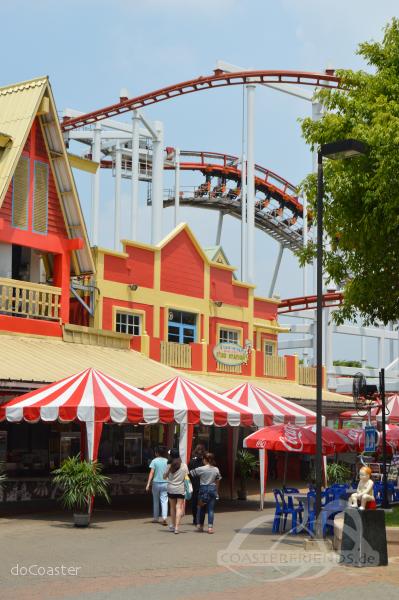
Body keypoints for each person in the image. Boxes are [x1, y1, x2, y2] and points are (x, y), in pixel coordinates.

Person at [189, 452, 221, 534]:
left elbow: (191, 473)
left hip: (203, 489)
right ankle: (210, 528)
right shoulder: (216, 469)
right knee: (211, 510)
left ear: (205, 460)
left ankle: (200, 526)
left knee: (201, 508)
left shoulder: (201, 469)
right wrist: (216, 491)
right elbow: (218, 480)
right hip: (212, 489)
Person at [164, 449, 188, 534]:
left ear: (171, 456)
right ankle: (177, 528)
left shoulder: (169, 465)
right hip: (180, 489)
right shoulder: (184, 465)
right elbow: (186, 476)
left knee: (172, 507)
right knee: (179, 507)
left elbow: (164, 476)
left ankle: (172, 525)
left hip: (171, 488)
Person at [146, 446, 168, 525]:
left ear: (157, 453)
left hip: (156, 483)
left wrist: (148, 484)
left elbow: (151, 472)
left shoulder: (154, 461)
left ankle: (156, 518)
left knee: (156, 501)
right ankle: (164, 517)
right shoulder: (167, 461)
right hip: (165, 483)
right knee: (164, 500)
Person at [188, 444, 206, 525]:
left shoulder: (192, 461)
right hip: (203, 484)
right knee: (202, 503)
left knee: (194, 503)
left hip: (195, 484)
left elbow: (189, 474)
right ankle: (199, 520)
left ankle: (195, 519)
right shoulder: (205, 462)